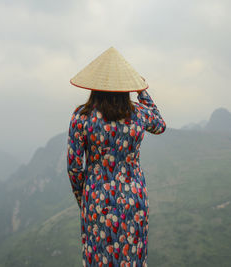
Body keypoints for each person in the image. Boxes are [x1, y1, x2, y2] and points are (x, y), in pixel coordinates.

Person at [67, 47, 166, 267]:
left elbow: (74, 167)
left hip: (96, 196)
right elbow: (160, 125)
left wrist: (84, 199)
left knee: (99, 258)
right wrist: (142, 90)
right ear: (126, 87)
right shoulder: (138, 113)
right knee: (133, 257)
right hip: (134, 196)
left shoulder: (82, 117)